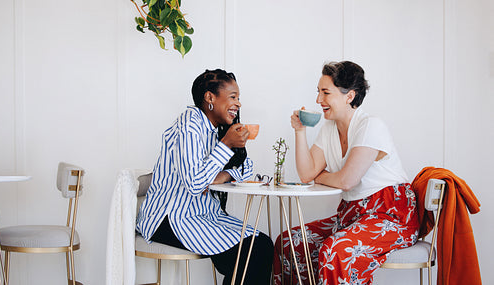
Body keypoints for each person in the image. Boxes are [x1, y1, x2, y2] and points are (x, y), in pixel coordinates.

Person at [273, 61, 419, 285]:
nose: (318, 100)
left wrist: (321, 176)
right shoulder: (329, 129)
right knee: (290, 242)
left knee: (336, 250)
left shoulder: (371, 126)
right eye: (318, 92)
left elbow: (347, 181)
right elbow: (306, 175)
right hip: (351, 216)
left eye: (325, 92)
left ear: (349, 96)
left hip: (391, 217)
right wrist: (300, 131)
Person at [137, 69, 273, 285]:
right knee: (249, 255)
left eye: (238, 98)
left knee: (263, 245)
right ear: (210, 97)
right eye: (233, 97)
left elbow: (247, 168)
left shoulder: (218, 129)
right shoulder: (189, 124)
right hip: (171, 218)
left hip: (205, 214)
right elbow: (195, 184)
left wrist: (222, 175)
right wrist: (226, 145)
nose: (238, 104)